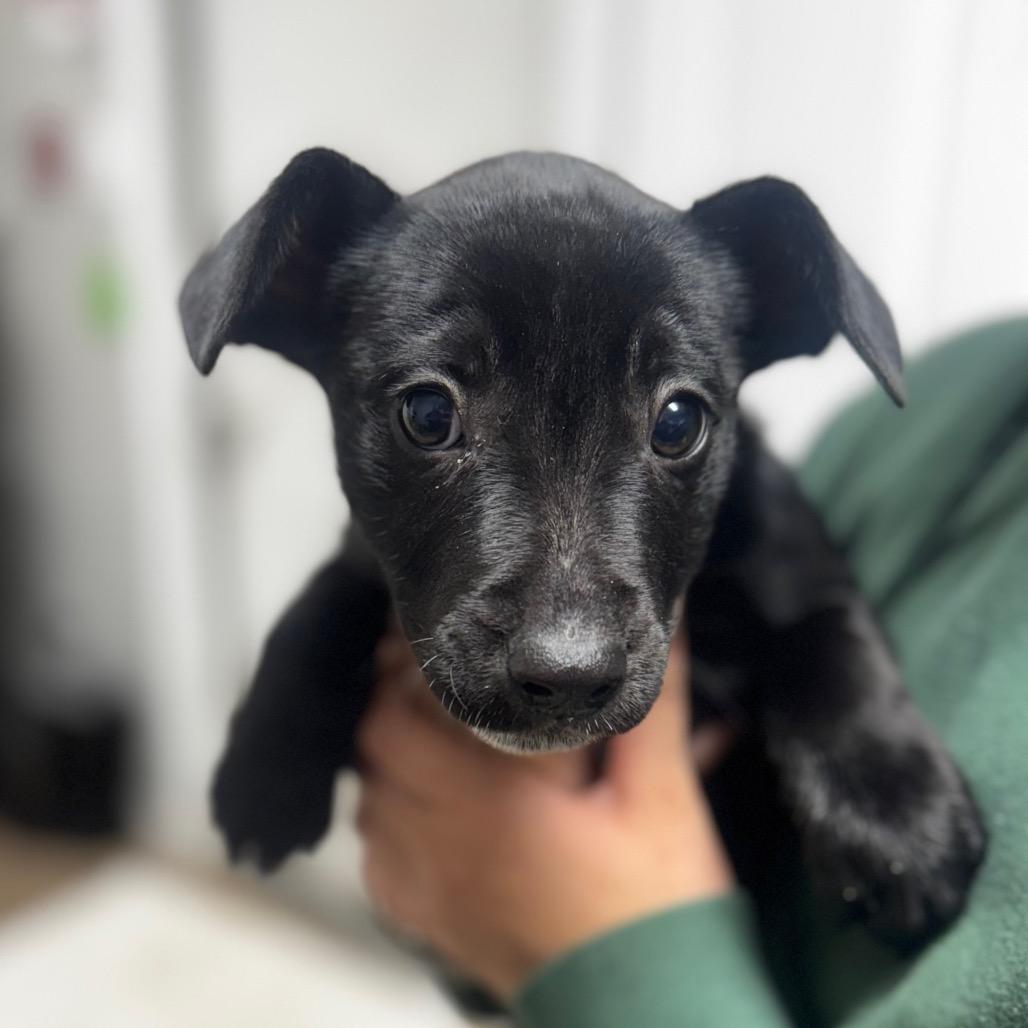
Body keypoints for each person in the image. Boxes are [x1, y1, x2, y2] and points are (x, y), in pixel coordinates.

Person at [355, 319, 1028, 1027]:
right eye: (431, 418)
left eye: (674, 426)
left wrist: (616, 961)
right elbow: (798, 587)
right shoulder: (957, 384)